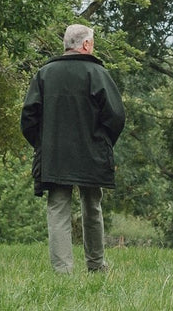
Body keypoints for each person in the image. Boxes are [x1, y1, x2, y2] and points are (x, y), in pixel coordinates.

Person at [21, 24, 126, 274]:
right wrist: (102, 142)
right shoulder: (98, 73)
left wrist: (44, 143)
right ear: (87, 45)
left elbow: (28, 118)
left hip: (55, 156)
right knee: (93, 208)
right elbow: (116, 116)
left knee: (57, 210)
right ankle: (96, 265)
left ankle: (62, 271)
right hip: (92, 154)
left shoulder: (44, 74)